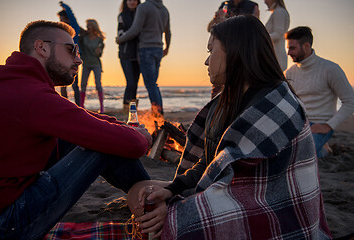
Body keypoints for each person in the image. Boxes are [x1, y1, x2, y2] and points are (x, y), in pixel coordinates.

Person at [130, 16, 332, 239]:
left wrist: (174, 205)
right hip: (222, 189)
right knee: (139, 192)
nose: (206, 62)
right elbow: (210, 164)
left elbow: (241, 184)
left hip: (266, 203)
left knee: (179, 222)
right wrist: (171, 190)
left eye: (210, 51)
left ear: (236, 52)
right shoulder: (226, 101)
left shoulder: (276, 105)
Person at [0, 20, 153, 240]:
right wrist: (140, 135)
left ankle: (151, 197)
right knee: (104, 145)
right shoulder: (34, 97)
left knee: (83, 137)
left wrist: (123, 127)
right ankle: (155, 206)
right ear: (42, 48)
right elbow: (132, 144)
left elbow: (82, 118)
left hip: (3, 207)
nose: (78, 58)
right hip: (5, 225)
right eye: (71, 50)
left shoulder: (14, 83)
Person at [285, 26, 354, 157]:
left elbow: (350, 102)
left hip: (319, 125)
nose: (288, 53)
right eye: (288, 48)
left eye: (292, 48)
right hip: (297, 125)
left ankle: (321, 149)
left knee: (301, 155)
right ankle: (323, 149)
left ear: (306, 46)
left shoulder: (330, 69)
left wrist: (328, 126)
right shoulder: (289, 72)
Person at [116, 0, 171, 116]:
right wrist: (167, 47)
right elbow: (168, 32)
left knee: (151, 85)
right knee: (152, 84)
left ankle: (158, 114)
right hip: (158, 49)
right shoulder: (164, 10)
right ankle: (157, 113)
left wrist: (120, 39)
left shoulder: (143, 7)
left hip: (146, 49)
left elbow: (135, 30)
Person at [207, 0, 259, 99]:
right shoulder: (225, 5)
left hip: (243, 54)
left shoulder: (252, 6)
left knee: (241, 91)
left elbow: (256, 29)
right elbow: (210, 28)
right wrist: (216, 19)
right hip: (223, 50)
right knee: (217, 94)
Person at [57, 1, 84, 105]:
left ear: (67, 19)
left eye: (62, 19)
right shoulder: (60, 31)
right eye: (60, 19)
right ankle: (64, 104)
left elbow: (71, 14)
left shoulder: (73, 27)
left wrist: (64, 6)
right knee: (62, 81)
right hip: (63, 56)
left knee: (75, 83)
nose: (60, 21)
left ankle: (79, 106)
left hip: (74, 56)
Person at [118, 0, 141, 114]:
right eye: (129, 0)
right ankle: (125, 108)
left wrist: (130, 34)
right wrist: (132, 34)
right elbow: (120, 34)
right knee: (130, 83)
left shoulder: (141, 14)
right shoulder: (122, 16)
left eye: (134, 0)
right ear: (126, 2)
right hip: (126, 54)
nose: (132, 2)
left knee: (135, 84)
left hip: (138, 55)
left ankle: (133, 110)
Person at [79, 19, 106, 113]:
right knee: (83, 84)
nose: (87, 27)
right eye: (87, 25)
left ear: (94, 27)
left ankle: (102, 107)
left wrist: (99, 50)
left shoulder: (99, 39)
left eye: (89, 25)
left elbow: (100, 53)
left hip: (96, 64)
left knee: (98, 84)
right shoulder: (83, 38)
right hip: (86, 63)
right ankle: (81, 106)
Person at [264, 0, 290, 71]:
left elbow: (278, 34)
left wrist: (261, 39)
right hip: (275, 56)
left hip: (276, 57)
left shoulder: (279, 12)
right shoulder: (278, 12)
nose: (264, 2)